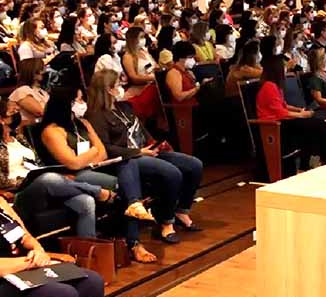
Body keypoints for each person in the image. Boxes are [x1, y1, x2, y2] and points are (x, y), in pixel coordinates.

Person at [39, 87, 158, 263]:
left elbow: (102, 153)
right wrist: (92, 152)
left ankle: (131, 214)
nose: (82, 104)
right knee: (124, 186)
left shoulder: (83, 123)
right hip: (71, 176)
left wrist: (88, 155)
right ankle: (133, 243)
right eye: (78, 101)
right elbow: (72, 163)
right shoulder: (52, 131)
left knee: (128, 165)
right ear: (66, 104)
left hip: (95, 168)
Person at [86, 70, 204, 245]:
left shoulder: (124, 107)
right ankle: (166, 222)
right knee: (172, 173)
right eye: (118, 85)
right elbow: (106, 148)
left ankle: (182, 210)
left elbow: (140, 129)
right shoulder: (96, 115)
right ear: (109, 89)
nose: (121, 87)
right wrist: (139, 152)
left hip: (146, 150)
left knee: (194, 164)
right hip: (128, 158)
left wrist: (155, 144)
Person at [0, 98, 112, 240]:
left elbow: (37, 164)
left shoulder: (19, 138)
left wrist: (58, 178)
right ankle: (97, 191)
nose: (17, 115)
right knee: (48, 178)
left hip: (39, 182)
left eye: (17, 111)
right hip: (18, 192)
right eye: (12, 112)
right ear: (2, 119)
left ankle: (89, 247)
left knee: (86, 201)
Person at [0, 196, 105, 297]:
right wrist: (33, 262)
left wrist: (38, 250)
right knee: (62, 293)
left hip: (27, 267)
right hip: (6, 277)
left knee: (92, 281)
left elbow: (25, 236)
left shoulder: (1, 202)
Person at [256, 56, 326, 170]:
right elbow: (280, 113)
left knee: (317, 123)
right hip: (275, 125)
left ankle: (312, 160)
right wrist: (301, 115)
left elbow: (283, 105)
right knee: (315, 125)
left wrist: (298, 110)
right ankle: (319, 160)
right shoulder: (268, 86)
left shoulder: (275, 86)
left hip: (283, 121)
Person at [8, 59, 49, 126]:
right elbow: (41, 112)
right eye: (43, 69)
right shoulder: (22, 91)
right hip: (32, 131)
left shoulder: (41, 91)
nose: (46, 72)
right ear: (34, 73)